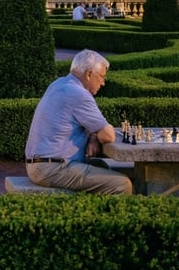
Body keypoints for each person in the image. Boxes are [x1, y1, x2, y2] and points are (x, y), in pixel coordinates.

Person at [23, 49, 133, 194]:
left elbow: (87, 126)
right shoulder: (79, 94)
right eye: (102, 77)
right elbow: (108, 135)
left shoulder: (58, 84)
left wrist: (93, 136)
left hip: (40, 164)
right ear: (89, 74)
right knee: (122, 184)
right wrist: (99, 132)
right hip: (53, 168)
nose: (103, 83)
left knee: (103, 167)